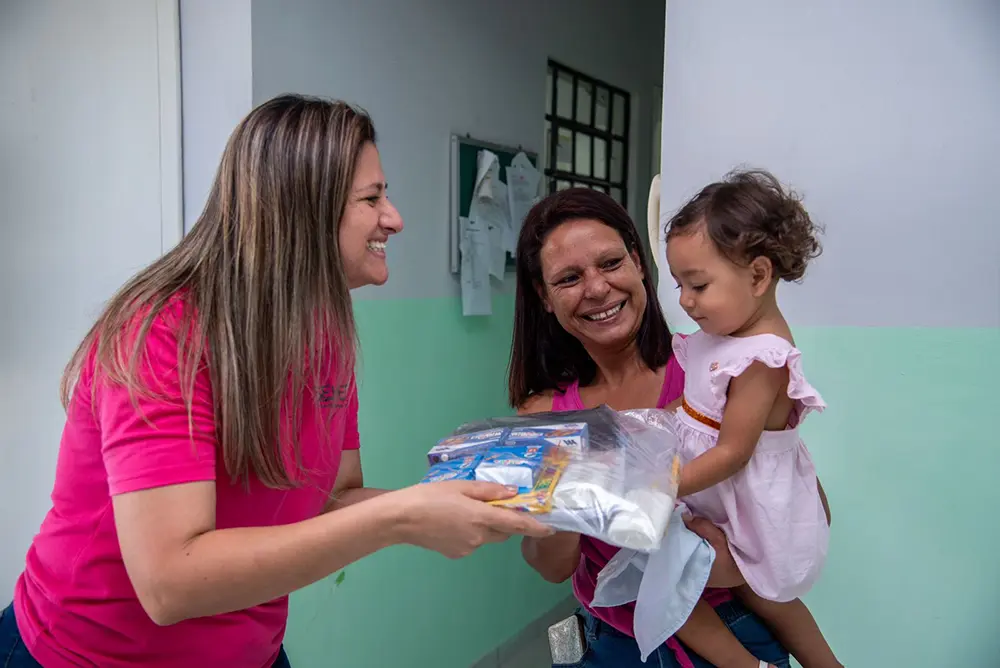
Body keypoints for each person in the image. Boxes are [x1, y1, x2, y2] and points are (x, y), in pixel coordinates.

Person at [0, 94, 551, 668]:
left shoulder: (326, 330)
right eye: (372, 197)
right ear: (302, 211)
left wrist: (458, 497)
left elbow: (333, 497)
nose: (395, 217)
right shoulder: (162, 332)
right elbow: (169, 583)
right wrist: (403, 518)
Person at [509, 187, 790, 667]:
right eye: (570, 278)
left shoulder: (715, 370)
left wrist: (729, 563)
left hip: (735, 630)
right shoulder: (546, 418)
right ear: (545, 297)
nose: (597, 289)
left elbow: (799, 512)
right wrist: (568, 493)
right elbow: (552, 567)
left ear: (639, 262)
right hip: (613, 647)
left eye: (611, 263)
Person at [662, 169, 842, 668]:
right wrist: (655, 423)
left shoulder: (762, 358)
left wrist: (661, 484)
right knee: (759, 596)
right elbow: (698, 407)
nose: (684, 300)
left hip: (749, 506)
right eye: (678, 284)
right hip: (719, 495)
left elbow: (733, 451)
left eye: (697, 284)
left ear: (759, 276)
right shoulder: (724, 336)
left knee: (673, 578)